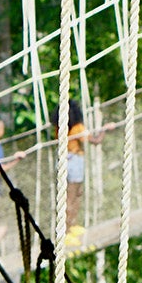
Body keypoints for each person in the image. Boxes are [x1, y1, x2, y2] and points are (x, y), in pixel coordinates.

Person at [62, 101, 114, 249]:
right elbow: (95, 140)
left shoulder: (60, 127)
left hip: (65, 159)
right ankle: (66, 232)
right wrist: (104, 129)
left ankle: (71, 226)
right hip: (74, 160)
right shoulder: (78, 127)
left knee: (75, 193)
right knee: (71, 197)